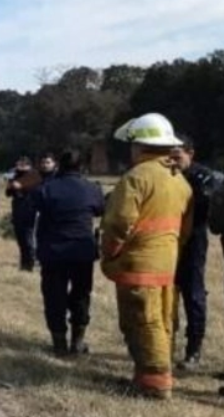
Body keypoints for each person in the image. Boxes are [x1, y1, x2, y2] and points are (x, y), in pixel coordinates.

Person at [100, 113, 193, 400]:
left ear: (141, 146)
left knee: (143, 321)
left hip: (137, 264)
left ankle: (154, 386)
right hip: (167, 264)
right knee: (163, 320)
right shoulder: (180, 181)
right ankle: (146, 378)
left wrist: (110, 252)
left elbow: (119, 223)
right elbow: (185, 229)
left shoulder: (136, 177)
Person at [33, 149, 104, 356]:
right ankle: (78, 342)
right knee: (81, 295)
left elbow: (34, 206)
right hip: (82, 251)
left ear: (59, 166)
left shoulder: (47, 188)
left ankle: (59, 344)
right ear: (82, 167)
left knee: (54, 297)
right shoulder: (92, 188)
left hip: (53, 251)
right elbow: (100, 210)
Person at [171, 136, 214, 369]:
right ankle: (165, 345)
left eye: (178, 156)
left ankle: (193, 350)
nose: (174, 162)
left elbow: (203, 207)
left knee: (193, 294)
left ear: (190, 153)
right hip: (169, 239)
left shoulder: (202, 177)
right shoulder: (167, 174)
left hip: (194, 242)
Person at [6, 156, 39, 271]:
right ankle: (23, 262)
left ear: (28, 165)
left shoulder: (34, 175)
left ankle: (30, 263)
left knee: (28, 238)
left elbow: (24, 187)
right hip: (17, 209)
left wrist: (19, 185)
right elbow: (9, 192)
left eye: (22, 164)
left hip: (30, 210)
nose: (19, 166)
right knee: (20, 238)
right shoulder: (16, 175)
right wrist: (10, 186)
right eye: (18, 164)